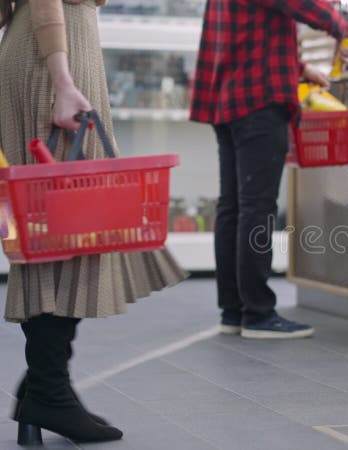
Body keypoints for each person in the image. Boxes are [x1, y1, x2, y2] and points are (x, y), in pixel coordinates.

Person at [0, 0, 187, 444]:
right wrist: (63, 80)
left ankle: (48, 383)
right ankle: (48, 388)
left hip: (46, 45)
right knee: (64, 229)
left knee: (58, 227)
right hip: (55, 54)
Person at [190, 0, 348, 339]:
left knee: (233, 207)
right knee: (256, 207)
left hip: (229, 96)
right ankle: (259, 315)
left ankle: (234, 311)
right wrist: (341, 27)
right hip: (258, 99)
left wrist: (299, 67)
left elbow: (249, 32)